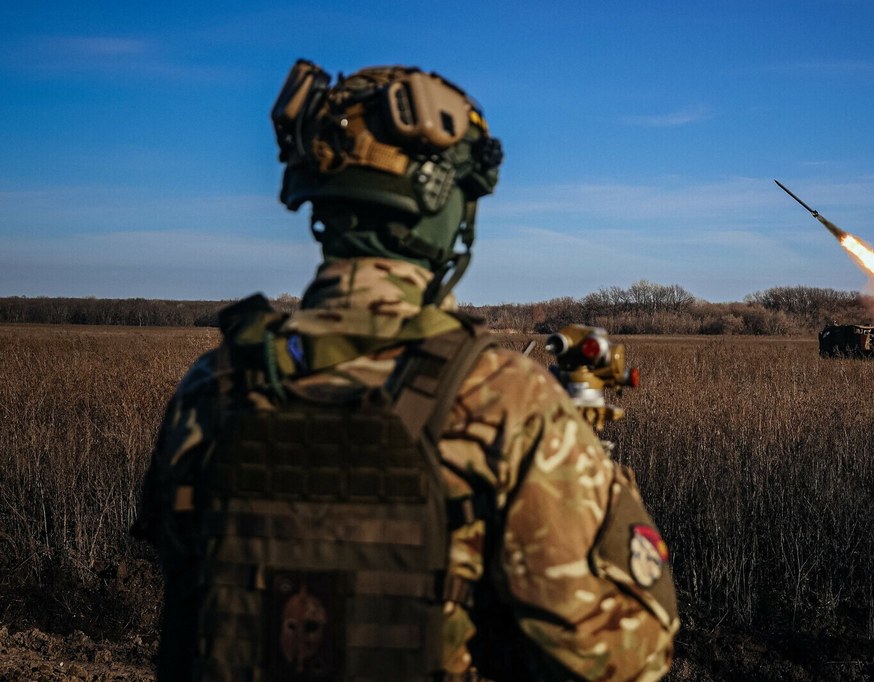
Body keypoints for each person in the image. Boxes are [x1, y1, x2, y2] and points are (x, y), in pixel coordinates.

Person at [131, 60, 678, 681]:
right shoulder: (505, 400)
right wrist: (600, 478)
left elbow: (188, 582)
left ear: (320, 197)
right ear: (447, 209)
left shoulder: (215, 383)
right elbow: (622, 660)